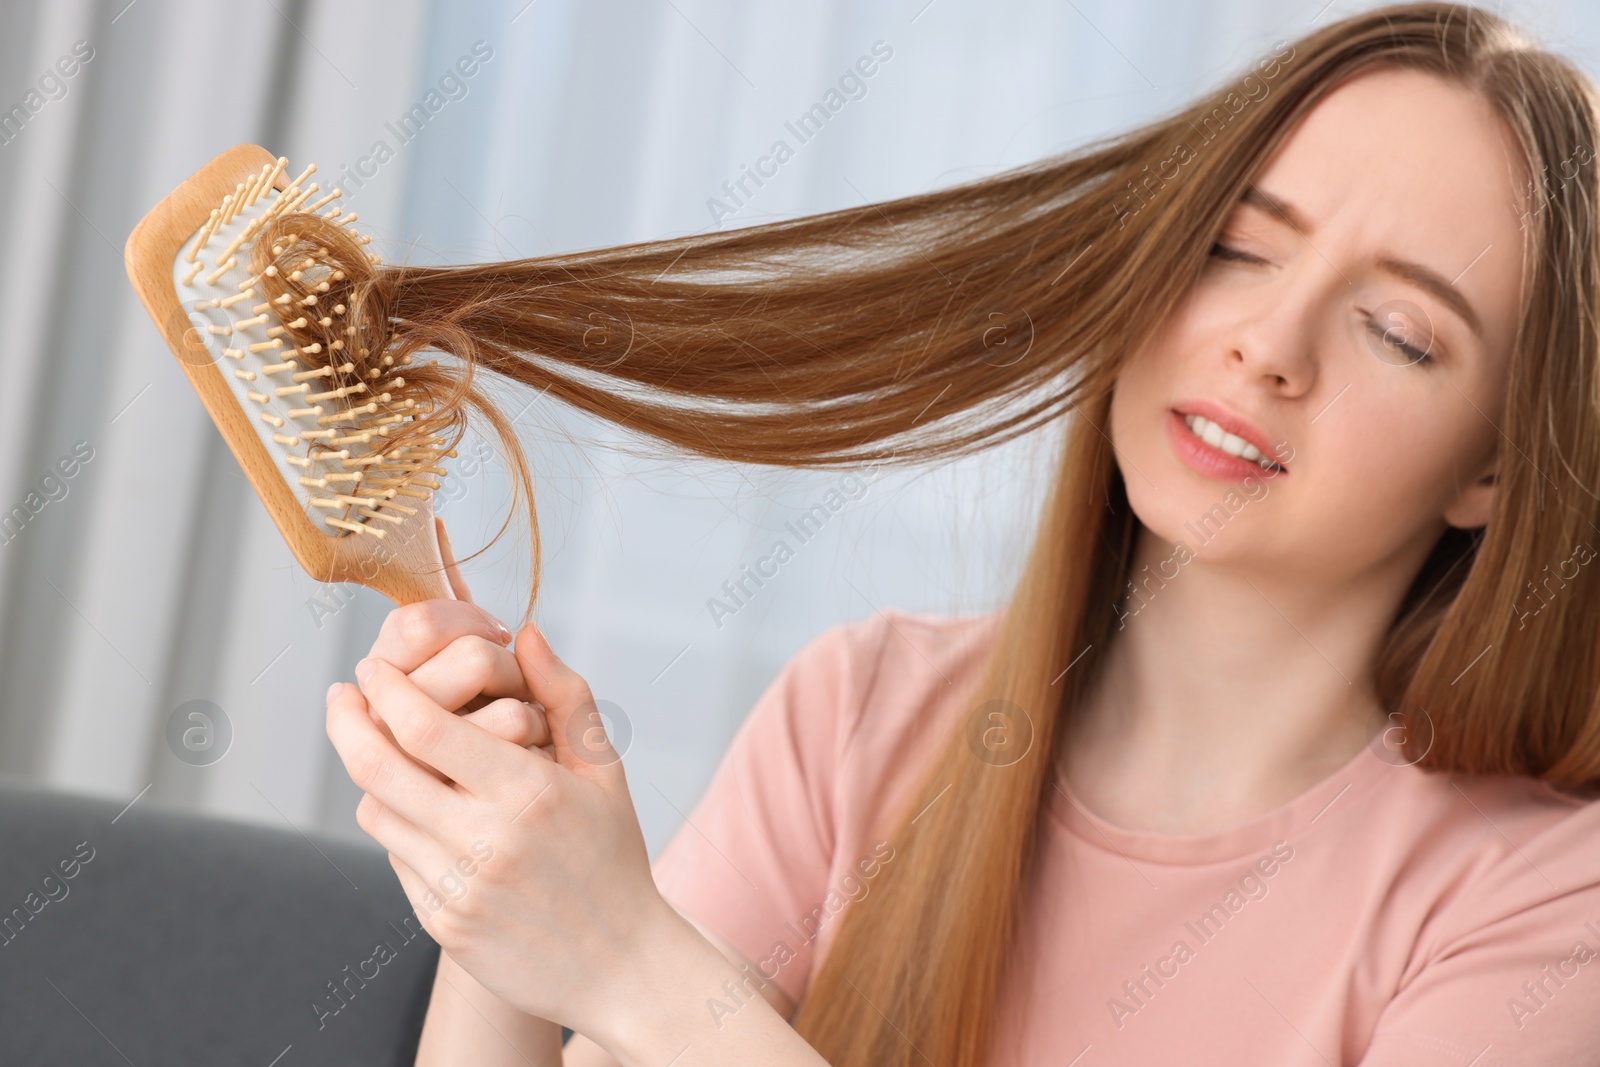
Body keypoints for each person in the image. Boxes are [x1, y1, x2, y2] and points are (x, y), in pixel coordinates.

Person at [322, 4, 1600, 1063]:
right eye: (1235, 246)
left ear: (1492, 467)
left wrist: (627, 959)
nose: (1267, 346)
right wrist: (502, 894)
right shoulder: (862, 714)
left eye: (1398, 331)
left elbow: (644, 988)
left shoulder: (1546, 906)